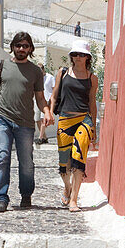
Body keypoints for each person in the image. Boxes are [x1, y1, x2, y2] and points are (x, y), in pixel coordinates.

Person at [0, 32, 53, 212]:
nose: (21, 49)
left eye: (25, 46)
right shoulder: (2, 66)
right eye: (18, 45)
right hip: (2, 119)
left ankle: (26, 194)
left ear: (30, 49)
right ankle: (1, 197)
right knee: (2, 157)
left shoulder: (35, 71)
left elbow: (39, 96)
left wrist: (46, 111)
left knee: (26, 162)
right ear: (13, 47)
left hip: (25, 123)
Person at [48, 38, 98, 212]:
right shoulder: (63, 73)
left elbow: (92, 103)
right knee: (64, 162)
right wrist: (50, 113)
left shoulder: (92, 78)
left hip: (84, 120)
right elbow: (54, 95)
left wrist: (94, 128)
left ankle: (74, 200)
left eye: (81, 54)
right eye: (75, 54)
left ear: (87, 57)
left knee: (78, 159)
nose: (78, 57)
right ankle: (67, 188)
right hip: (65, 119)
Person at [37, 65, 56, 144]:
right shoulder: (37, 78)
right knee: (37, 120)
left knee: (43, 120)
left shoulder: (50, 77)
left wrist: (51, 100)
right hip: (38, 100)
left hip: (47, 100)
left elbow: (54, 89)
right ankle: (44, 137)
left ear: (43, 69)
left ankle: (40, 138)